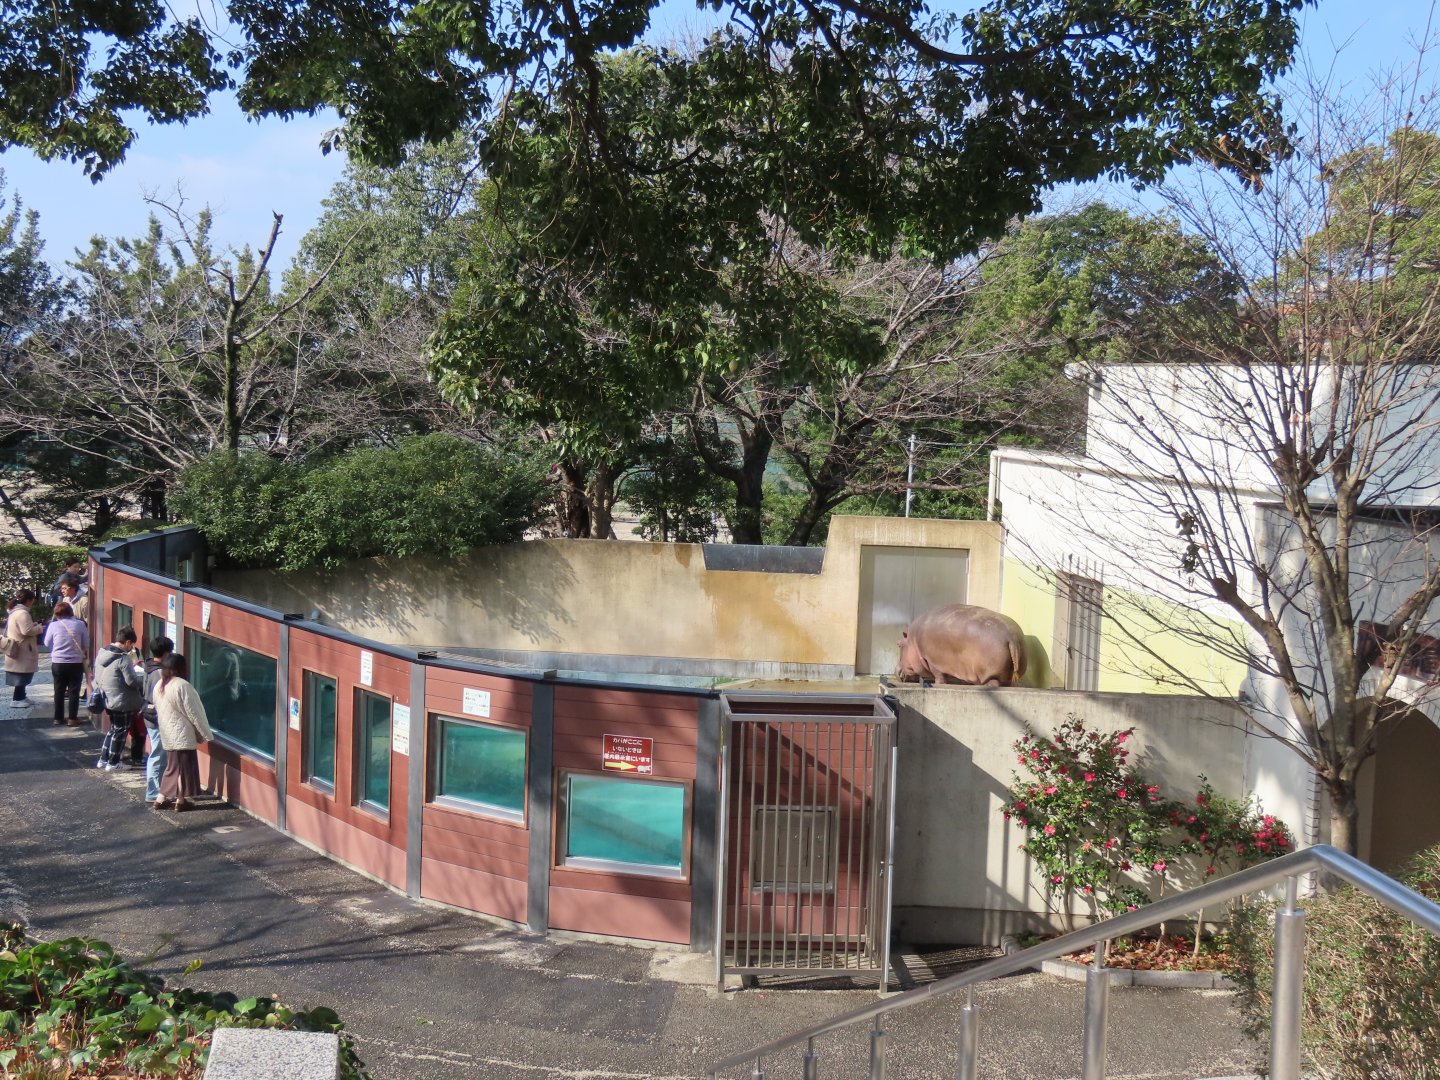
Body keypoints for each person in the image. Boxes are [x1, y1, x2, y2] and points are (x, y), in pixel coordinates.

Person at [153, 652, 213, 811]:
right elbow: (195, 712)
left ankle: (162, 798)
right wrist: (205, 733)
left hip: (167, 732)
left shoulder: (160, 685)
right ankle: (179, 801)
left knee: (173, 767)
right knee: (183, 768)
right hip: (182, 733)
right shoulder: (182, 685)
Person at [94, 626, 145, 769]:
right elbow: (132, 681)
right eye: (131, 645)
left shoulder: (102, 653)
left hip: (106, 697)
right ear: (127, 642)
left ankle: (104, 759)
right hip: (122, 700)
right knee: (121, 731)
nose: (131, 648)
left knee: (113, 729)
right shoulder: (123, 658)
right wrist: (145, 681)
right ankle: (114, 762)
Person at [42, 601, 89, 726]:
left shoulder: (53, 625)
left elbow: (46, 643)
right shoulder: (80, 624)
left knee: (58, 690)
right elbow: (86, 643)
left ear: (58, 614)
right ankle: (72, 718)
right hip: (75, 663)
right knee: (74, 691)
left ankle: (58, 718)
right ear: (70, 612)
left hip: (58, 662)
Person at [141, 636, 174, 803]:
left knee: (158, 753)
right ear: (166, 653)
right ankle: (153, 792)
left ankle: (158, 789)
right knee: (158, 755)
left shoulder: (148, 666)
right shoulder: (160, 673)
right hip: (157, 717)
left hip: (149, 714)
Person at [3, 590, 42, 708]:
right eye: (32, 600)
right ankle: (17, 699)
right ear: (29, 600)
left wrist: (33, 625)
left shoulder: (14, 612)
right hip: (23, 649)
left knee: (22, 673)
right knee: (22, 674)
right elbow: (27, 631)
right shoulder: (22, 613)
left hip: (18, 647)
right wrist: (39, 628)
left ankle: (22, 696)